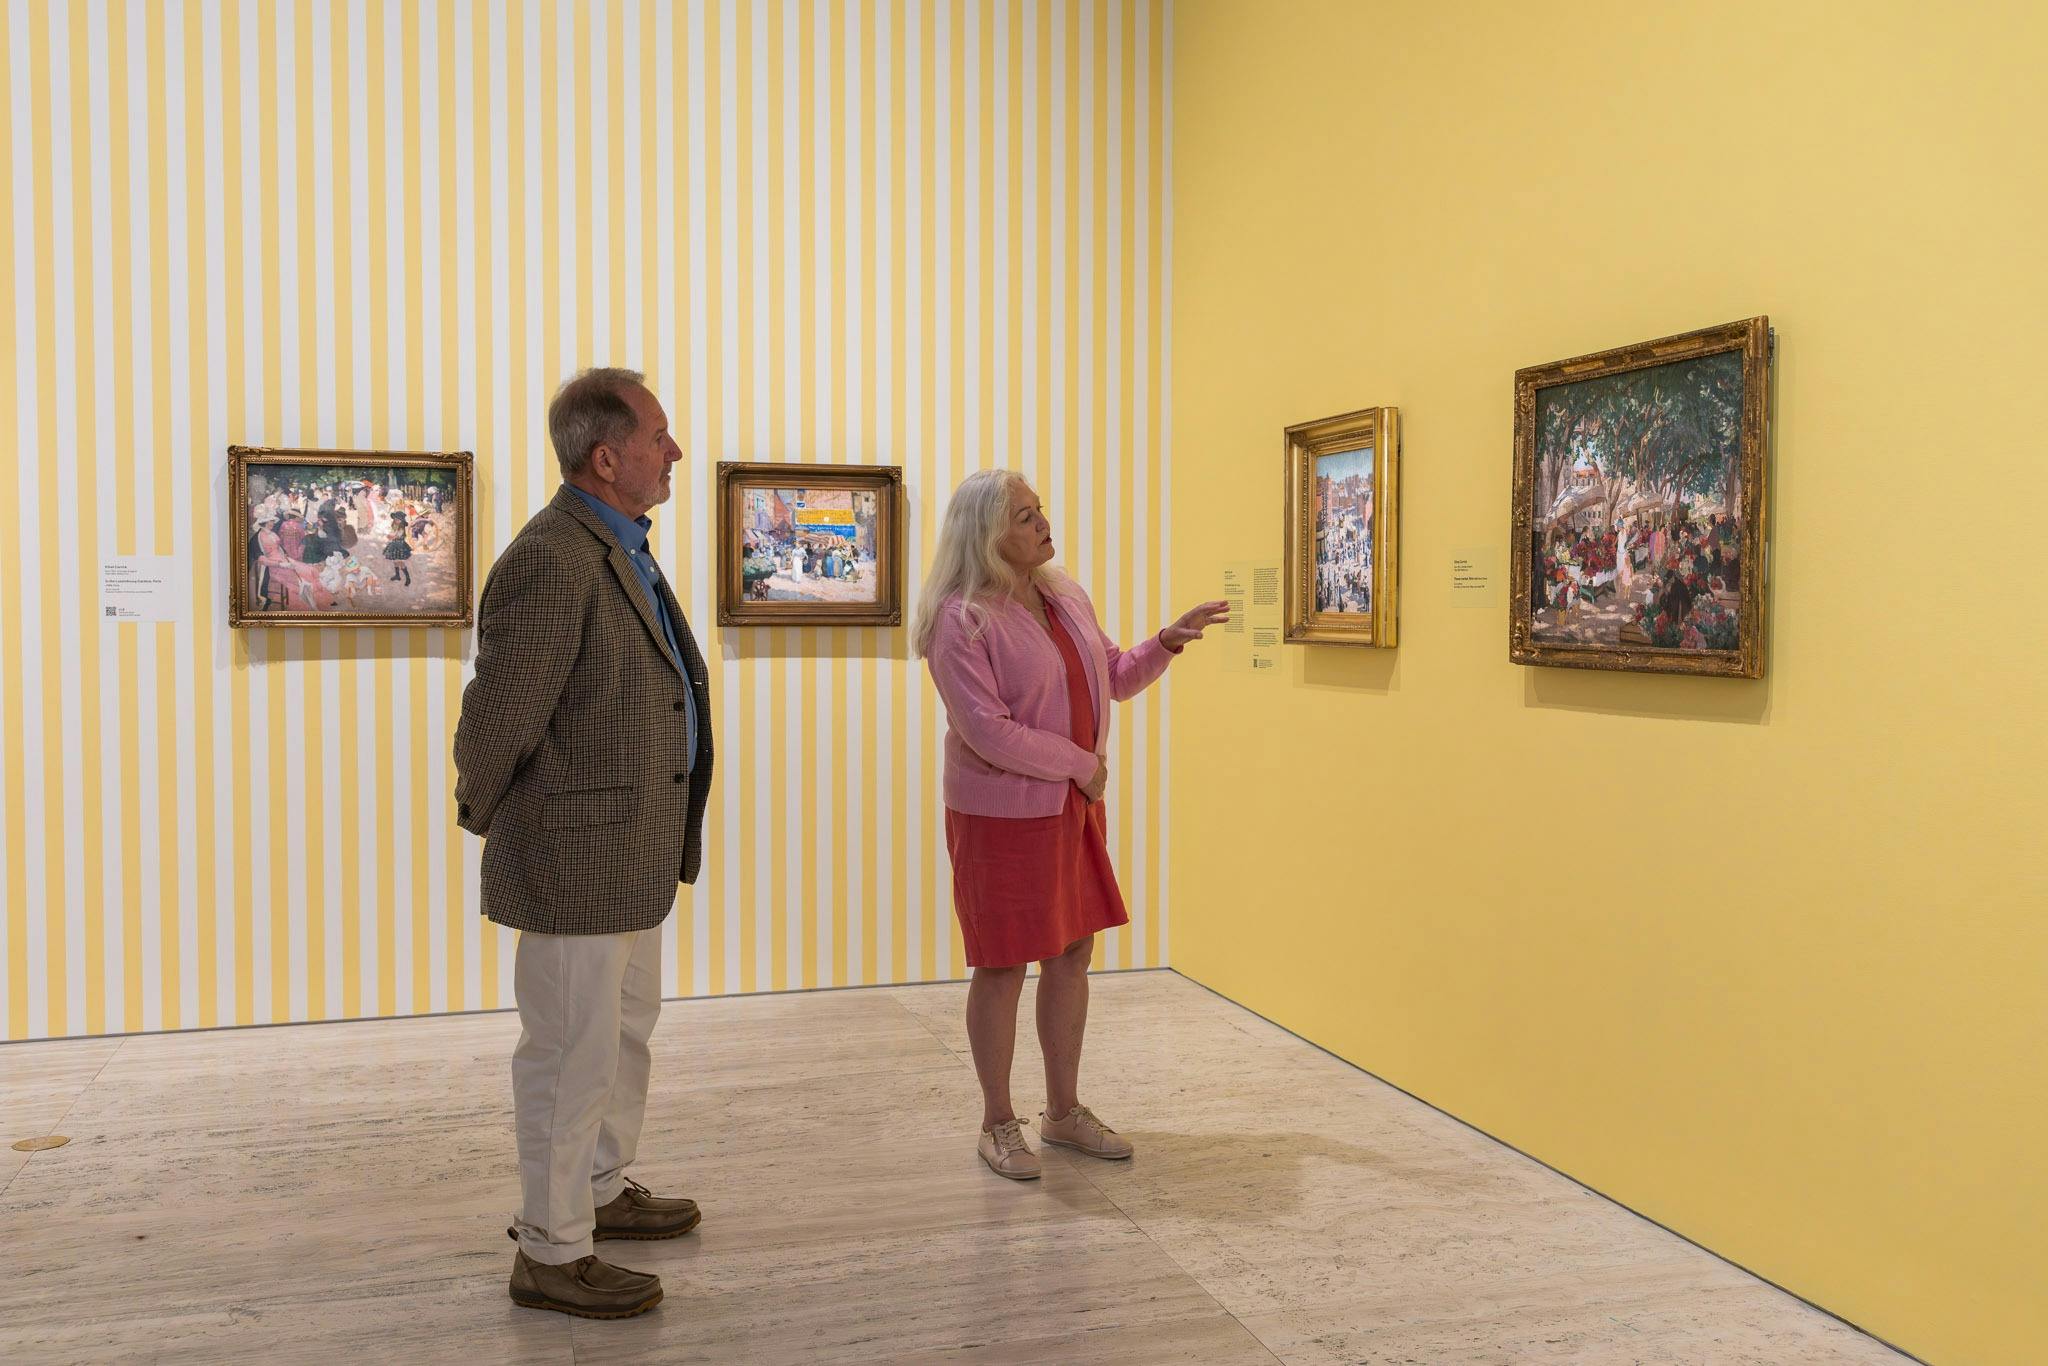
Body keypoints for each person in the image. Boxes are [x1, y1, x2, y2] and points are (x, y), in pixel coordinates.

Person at [454, 367, 715, 1321]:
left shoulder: (615, 544)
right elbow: (501, 714)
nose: (674, 451)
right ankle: (553, 1249)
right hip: (576, 853)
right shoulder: (552, 558)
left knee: (622, 1033)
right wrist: (493, 814)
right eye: (659, 435)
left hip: (631, 845)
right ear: (607, 457)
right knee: (569, 1051)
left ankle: (600, 1191)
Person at [914, 468, 1228, 1181]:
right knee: (1002, 965)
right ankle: (998, 1122)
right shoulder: (958, 618)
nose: (1042, 525)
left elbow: (1112, 674)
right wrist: (1081, 765)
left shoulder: (1064, 593)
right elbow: (986, 731)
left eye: (1039, 511)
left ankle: (1063, 1112)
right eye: (1025, 517)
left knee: (1072, 953)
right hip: (1002, 814)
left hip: (1070, 808)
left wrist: (1165, 643)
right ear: (986, 533)